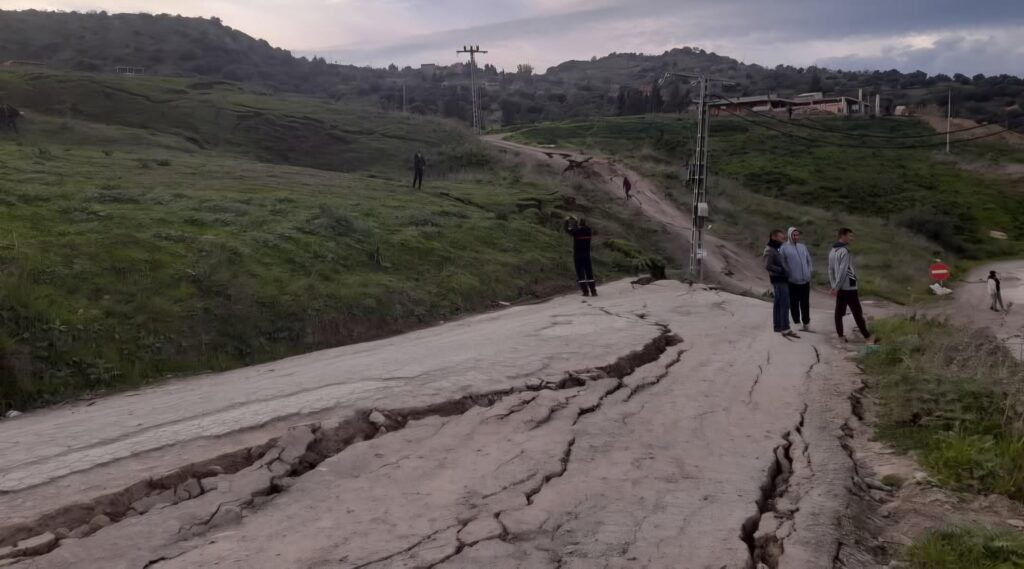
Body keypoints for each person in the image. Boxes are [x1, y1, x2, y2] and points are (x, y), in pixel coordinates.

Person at [828, 228, 875, 344]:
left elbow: (830, 270)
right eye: (850, 236)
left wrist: (834, 285)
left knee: (839, 312)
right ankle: (867, 337)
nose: (851, 238)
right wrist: (836, 287)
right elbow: (843, 270)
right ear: (842, 236)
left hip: (841, 286)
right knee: (857, 312)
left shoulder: (833, 250)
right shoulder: (844, 251)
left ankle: (840, 336)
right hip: (849, 286)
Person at [765, 229, 799, 338]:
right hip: (778, 279)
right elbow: (768, 265)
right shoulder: (770, 250)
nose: (783, 240)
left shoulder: (777, 249)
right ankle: (785, 328)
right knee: (785, 303)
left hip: (782, 279)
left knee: (779, 303)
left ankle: (778, 326)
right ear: (774, 237)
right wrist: (782, 270)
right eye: (781, 237)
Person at [780, 227, 813, 331]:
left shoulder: (802, 247)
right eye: (794, 235)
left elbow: (809, 260)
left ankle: (806, 322)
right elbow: (782, 263)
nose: (796, 237)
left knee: (805, 303)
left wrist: (809, 272)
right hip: (792, 281)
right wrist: (787, 274)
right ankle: (797, 322)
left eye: (797, 235)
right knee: (794, 303)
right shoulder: (784, 248)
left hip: (805, 281)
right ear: (790, 235)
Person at [565, 216, 597, 297]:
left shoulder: (576, 232)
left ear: (579, 224)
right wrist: (577, 223)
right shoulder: (589, 231)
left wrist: (567, 221)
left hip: (578, 255)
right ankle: (593, 291)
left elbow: (567, 230)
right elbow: (581, 229)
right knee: (589, 273)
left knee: (580, 273)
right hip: (587, 255)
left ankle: (585, 292)